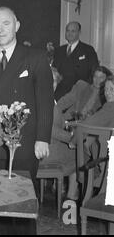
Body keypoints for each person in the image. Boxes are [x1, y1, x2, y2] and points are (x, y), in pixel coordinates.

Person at [0, 7, 54, 235]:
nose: (0, 30)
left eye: (6, 24)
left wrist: (43, 139)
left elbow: (46, 102)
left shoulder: (36, 57)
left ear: (17, 25)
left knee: (22, 206)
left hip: (25, 143)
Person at [40, 67, 77, 200]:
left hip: (47, 148)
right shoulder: (46, 101)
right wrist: (70, 138)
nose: (52, 84)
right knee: (81, 154)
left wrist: (66, 126)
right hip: (46, 152)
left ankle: (60, 186)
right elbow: (49, 128)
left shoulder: (44, 98)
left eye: (54, 80)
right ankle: (72, 192)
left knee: (77, 149)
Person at [53, 21, 99, 101]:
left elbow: (94, 72)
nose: (70, 33)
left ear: (79, 32)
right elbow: (54, 70)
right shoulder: (58, 50)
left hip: (79, 95)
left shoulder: (88, 50)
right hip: (59, 95)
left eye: (73, 31)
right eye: (68, 30)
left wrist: (85, 90)